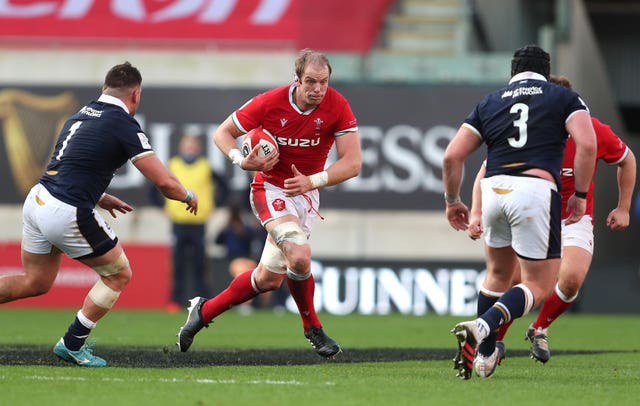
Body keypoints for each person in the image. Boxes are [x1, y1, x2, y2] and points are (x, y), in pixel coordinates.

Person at [0, 62, 198, 367]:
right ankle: (72, 343)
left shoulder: (80, 114)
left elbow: (66, 167)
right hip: (66, 210)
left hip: (38, 200)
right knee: (119, 274)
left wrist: (100, 196)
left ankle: (72, 342)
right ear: (135, 94)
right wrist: (187, 194)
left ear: (105, 89)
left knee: (35, 281)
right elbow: (164, 182)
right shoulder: (123, 123)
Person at [175, 48, 362, 358]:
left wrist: (312, 181)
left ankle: (203, 312)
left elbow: (353, 163)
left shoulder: (337, 105)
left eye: (324, 82)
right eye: (311, 82)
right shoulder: (270, 102)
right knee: (299, 255)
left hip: (305, 193)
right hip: (270, 189)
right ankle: (312, 328)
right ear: (297, 80)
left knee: (267, 279)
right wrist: (240, 160)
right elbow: (224, 133)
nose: (317, 90)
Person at [442, 45, 597, 379]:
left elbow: (451, 157)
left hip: (494, 188)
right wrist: (581, 195)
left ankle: (483, 359)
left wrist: (453, 200)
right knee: (538, 285)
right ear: (545, 70)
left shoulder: (490, 101)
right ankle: (485, 326)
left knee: (497, 275)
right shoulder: (563, 97)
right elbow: (586, 144)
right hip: (534, 190)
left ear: (512, 72)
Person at [466, 75, 636, 365]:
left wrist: (623, 207)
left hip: (573, 218)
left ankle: (539, 327)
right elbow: (486, 172)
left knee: (570, 281)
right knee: (515, 278)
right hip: (535, 213)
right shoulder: (530, 132)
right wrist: (477, 212)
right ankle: (495, 342)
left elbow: (627, 159)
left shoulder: (591, 130)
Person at [163, 133, 225, 313]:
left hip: (199, 223)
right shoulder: (173, 165)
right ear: (181, 147)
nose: (190, 149)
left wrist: (215, 205)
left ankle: (202, 302)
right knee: (178, 264)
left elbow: (224, 186)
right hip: (178, 222)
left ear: (197, 148)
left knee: (200, 264)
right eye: (187, 145)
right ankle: (175, 301)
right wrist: (162, 205)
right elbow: (156, 185)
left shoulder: (205, 166)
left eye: (193, 146)